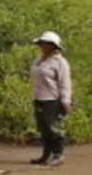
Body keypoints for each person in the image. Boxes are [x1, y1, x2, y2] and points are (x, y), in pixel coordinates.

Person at [30, 30, 72, 167]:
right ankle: (46, 155)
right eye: (40, 43)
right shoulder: (38, 60)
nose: (41, 45)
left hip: (52, 100)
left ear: (53, 45)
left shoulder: (60, 62)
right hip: (38, 99)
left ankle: (58, 155)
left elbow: (65, 82)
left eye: (44, 43)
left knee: (54, 129)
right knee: (43, 129)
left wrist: (66, 100)